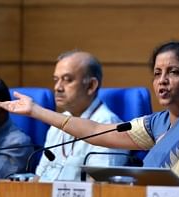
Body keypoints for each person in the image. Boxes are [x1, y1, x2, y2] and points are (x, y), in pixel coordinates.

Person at [0, 42, 179, 186]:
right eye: (157, 73)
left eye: (173, 72)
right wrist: (35, 111)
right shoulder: (160, 120)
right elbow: (96, 131)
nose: (162, 81)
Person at [34, 51, 128, 182]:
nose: (57, 87)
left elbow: (99, 187)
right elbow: (39, 177)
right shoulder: (57, 123)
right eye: (56, 80)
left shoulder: (108, 126)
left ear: (91, 86)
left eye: (67, 80)